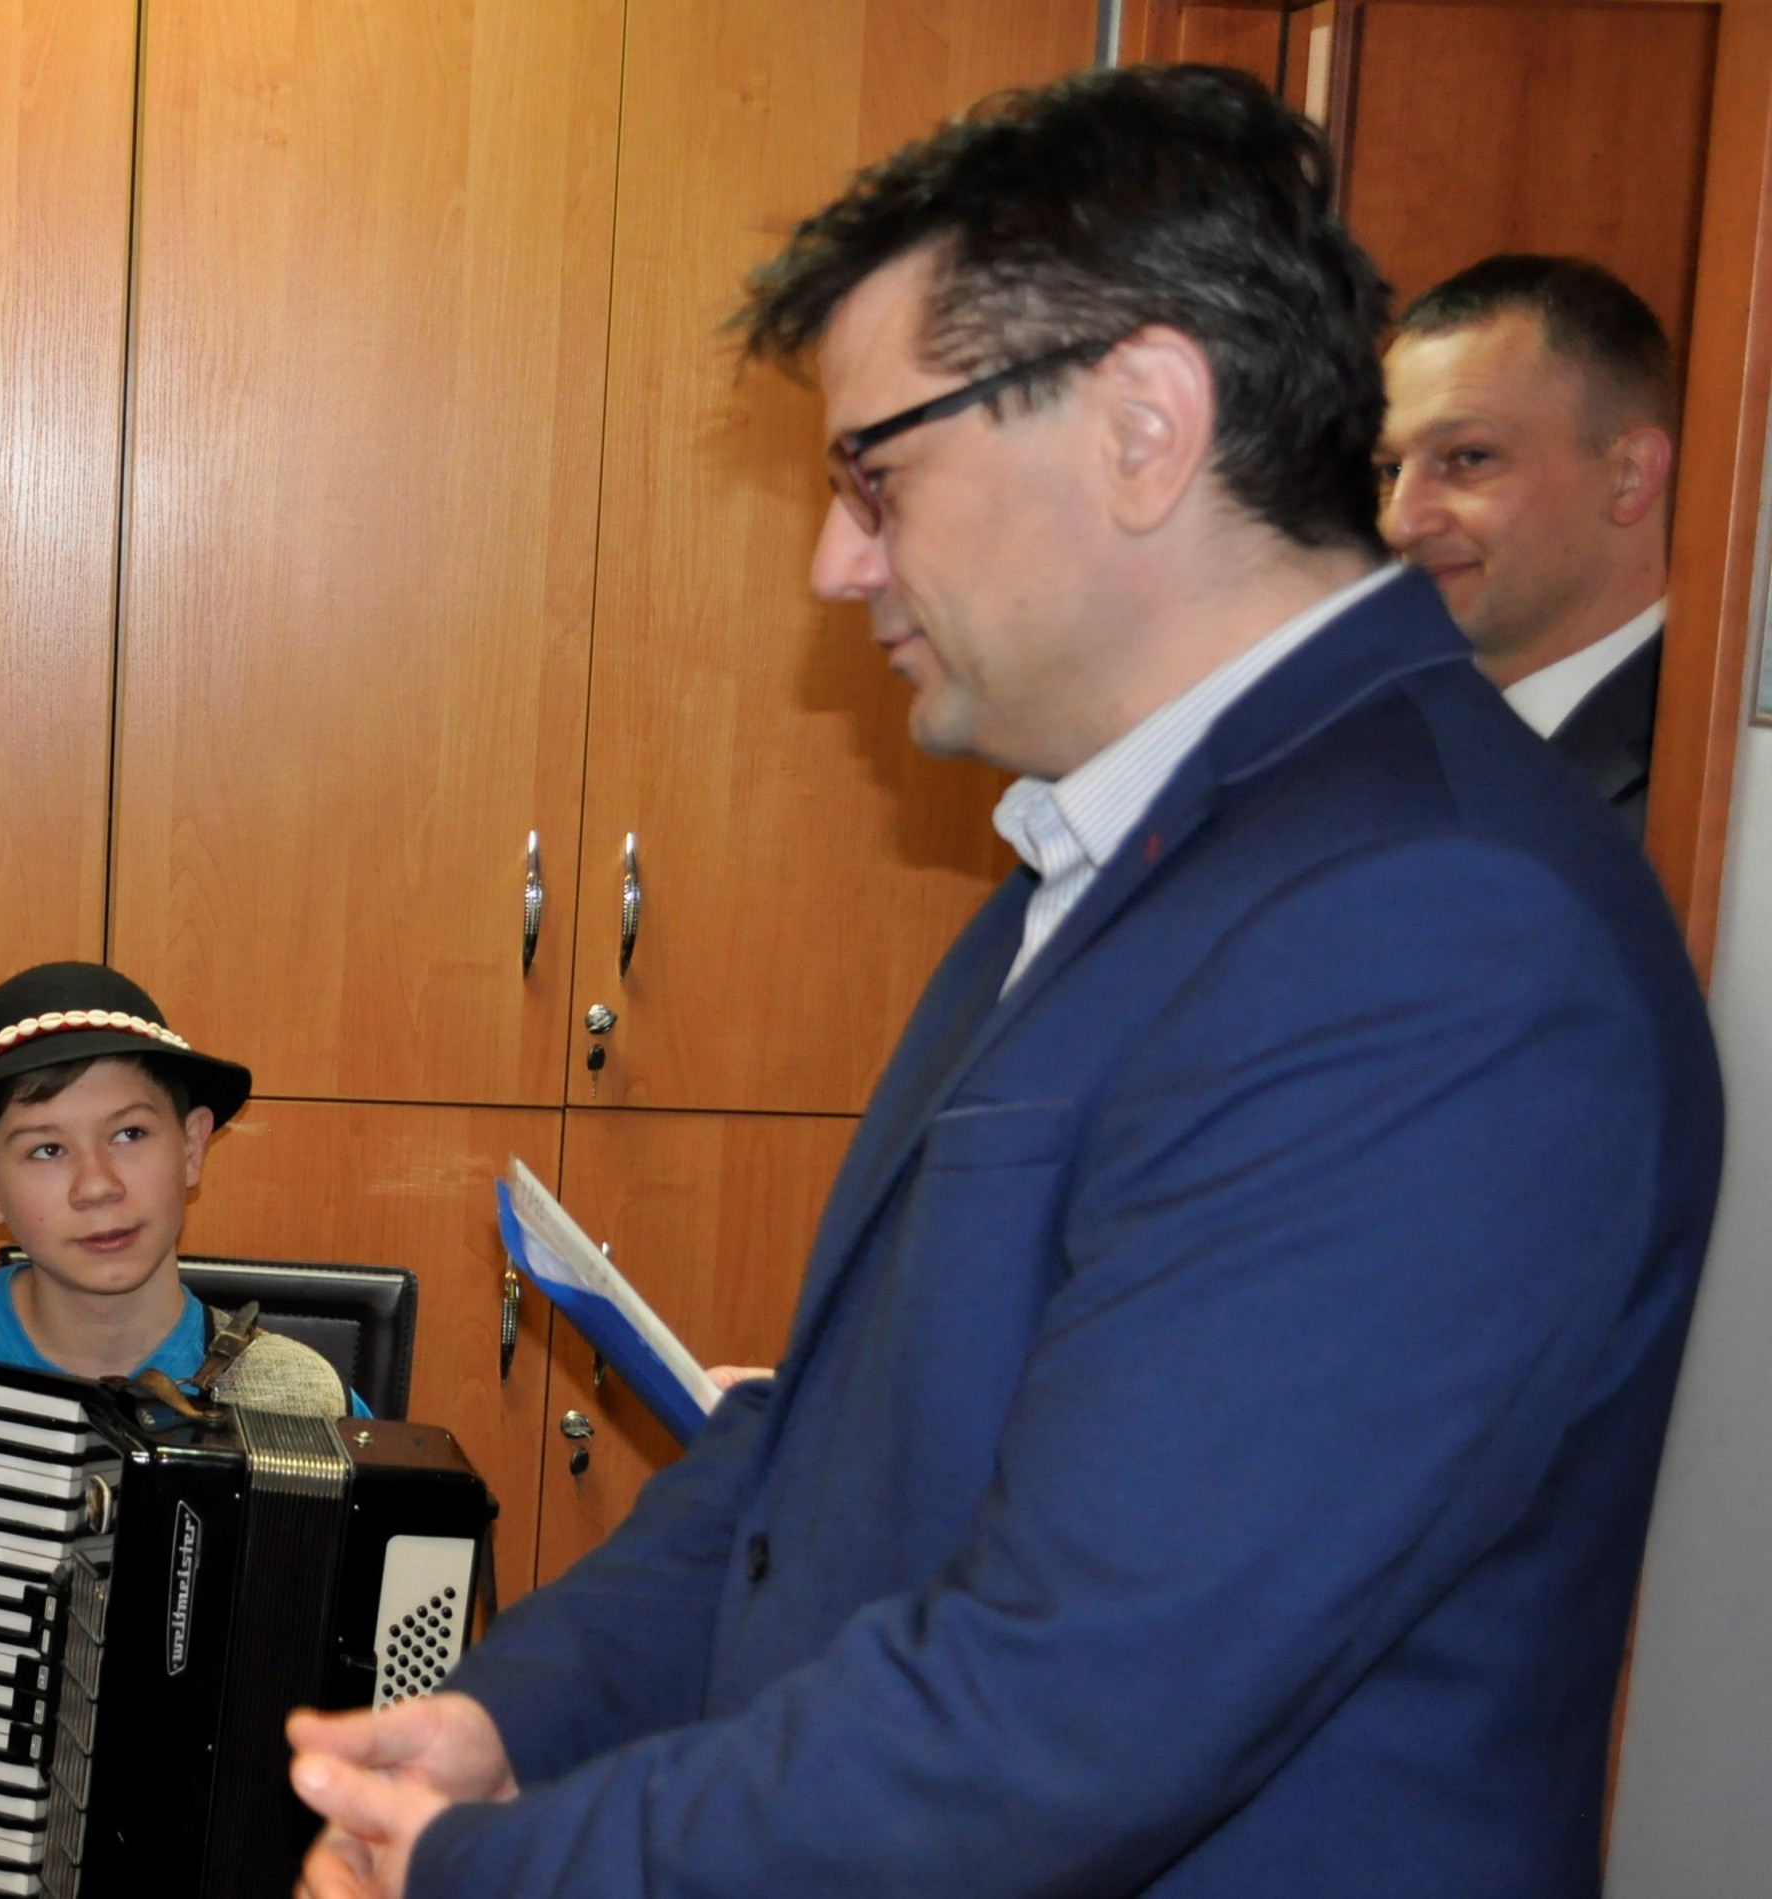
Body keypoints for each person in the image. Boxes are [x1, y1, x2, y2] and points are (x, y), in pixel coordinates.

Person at [289, 65, 1721, 1899]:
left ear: (1145, 425)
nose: (836, 563)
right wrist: (520, 1714)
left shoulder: (1437, 931)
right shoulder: (1115, 840)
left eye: (876, 477)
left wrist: (501, 1868)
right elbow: (819, 1449)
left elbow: (1072, 1705)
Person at [0, 960, 364, 1876]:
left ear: (193, 1146)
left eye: (130, 1132)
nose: (97, 1184)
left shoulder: (295, 1397)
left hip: (207, 1845)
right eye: (44, 1149)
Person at [1377, 254, 1675, 838]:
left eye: (1469, 458)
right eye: (1388, 470)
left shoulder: (1711, 777)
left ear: (1629, 477)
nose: (1400, 524)